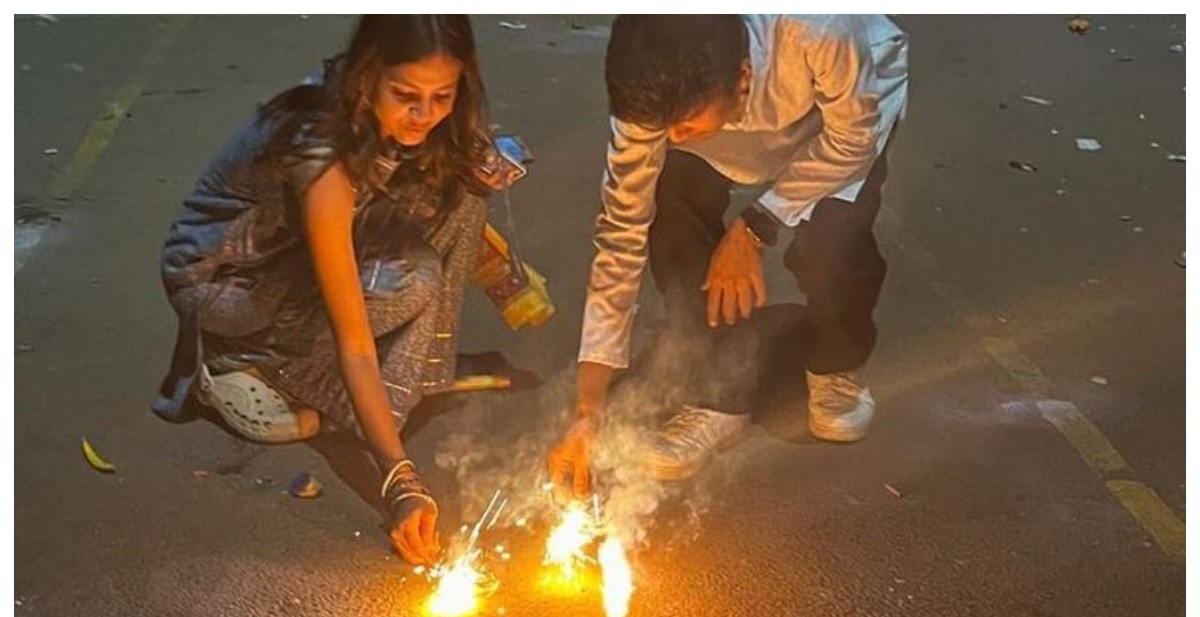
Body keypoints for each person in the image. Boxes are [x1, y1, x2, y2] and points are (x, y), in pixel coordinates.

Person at [153, 15, 513, 565]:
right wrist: (400, 482)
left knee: (466, 180)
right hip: (225, 281)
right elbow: (356, 342)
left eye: (442, 96)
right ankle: (244, 363)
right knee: (413, 279)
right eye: (406, 96)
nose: (424, 114)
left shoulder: (391, 117)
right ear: (369, 76)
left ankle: (404, 379)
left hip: (285, 254)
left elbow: (435, 173)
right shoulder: (321, 154)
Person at [548, 15, 909, 494]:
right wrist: (587, 411)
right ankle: (717, 392)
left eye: (683, 123)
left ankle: (834, 362)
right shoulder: (652, 90)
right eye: (661, 127)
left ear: (742, 76)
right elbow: (620, 237)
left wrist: (755, 226)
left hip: (837, 120)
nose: (672, 137)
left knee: (833, 239)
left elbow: (852, 140)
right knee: (669, 209)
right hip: (718, 113)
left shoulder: (818, 27)